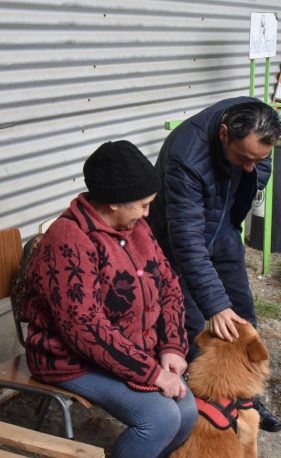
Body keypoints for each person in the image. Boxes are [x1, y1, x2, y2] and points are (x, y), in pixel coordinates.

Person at [24, 140, 198, 458]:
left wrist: (172, 346)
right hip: (67, 359)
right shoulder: (69, 239)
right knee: (160, 418)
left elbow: (170, 287)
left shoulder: (137, 228)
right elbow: (83, 327)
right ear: (114, 202)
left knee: (187, 412)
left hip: (129, 353)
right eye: (142, 205)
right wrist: (152, 373)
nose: (147, 214)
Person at [148, 97, 281, 432]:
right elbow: (187, 242)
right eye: (244, 157)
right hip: (178, 246)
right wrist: (215, 306)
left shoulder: (255, 136)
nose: (250, 165)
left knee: (243, 318)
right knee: (199, 331)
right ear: (223, 133)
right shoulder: (187, 156)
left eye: (259, 158)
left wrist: (249, 172)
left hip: (221, 232)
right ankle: (209, 416)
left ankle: (246, 400)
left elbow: (257, 170)